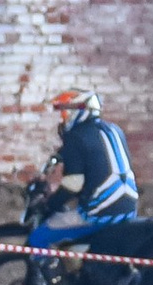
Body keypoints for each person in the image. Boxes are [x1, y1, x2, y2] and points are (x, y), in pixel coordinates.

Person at [41, 87, 137, 225]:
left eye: (64, 112)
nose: (62, 118)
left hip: (99, 213)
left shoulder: (75, 137)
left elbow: (74, 184)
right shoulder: (115, 130)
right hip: (129, 210)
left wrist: (50, 205)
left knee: (40, 236)